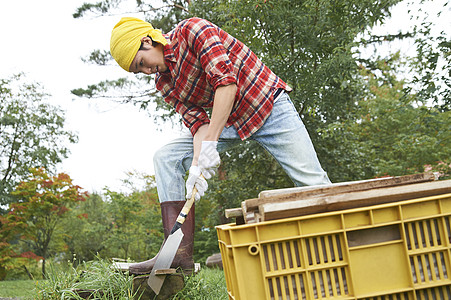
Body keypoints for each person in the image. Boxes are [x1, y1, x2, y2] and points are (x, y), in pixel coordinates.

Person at [110, 17, 331, 274]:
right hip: (228, 122)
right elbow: (198, 125)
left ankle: (341, 242)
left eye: (141, 63)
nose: (147, 72)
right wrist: (196, 168)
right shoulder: (164, 82)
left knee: (312, 180)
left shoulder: (192, 31)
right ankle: (177, 254)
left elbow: (226, 84)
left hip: (267, 106)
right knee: (165, 157)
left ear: (147, 42)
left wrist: (210, 144)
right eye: (139, 72)